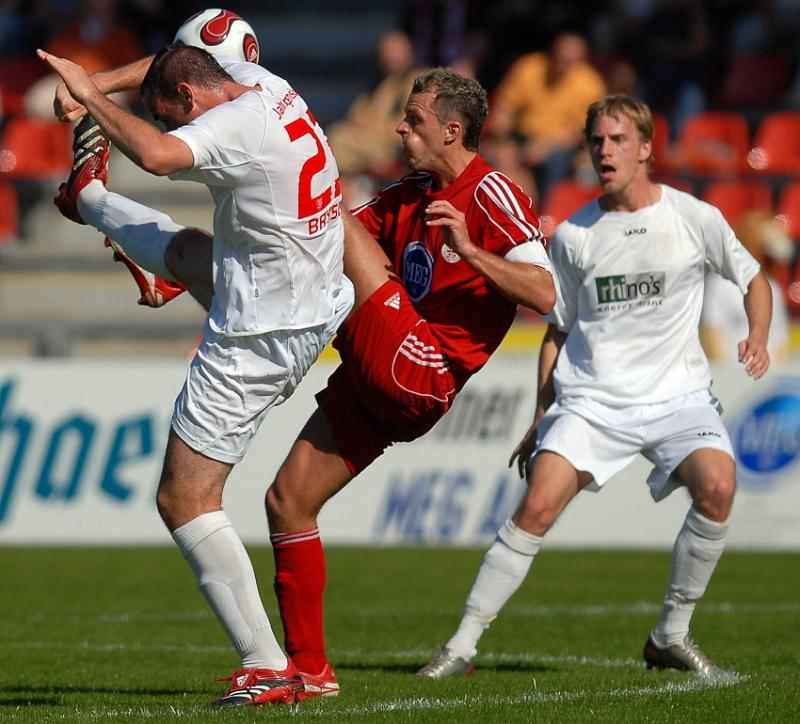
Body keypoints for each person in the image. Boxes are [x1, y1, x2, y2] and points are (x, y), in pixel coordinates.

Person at [54, 63, 556, 696]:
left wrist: (474, 250)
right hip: (379, 368)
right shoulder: (410, 193)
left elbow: (544, 291)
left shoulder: (490, 194)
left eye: (416, 118)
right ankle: (311, 672)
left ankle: (150, 246)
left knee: (328, 216)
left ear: (454, 130)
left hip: (423, 368)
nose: (400, 126)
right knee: (287, 501)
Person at [39, 43, 354, 708]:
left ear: (187, 99)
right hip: (307, 298)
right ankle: (93, 201)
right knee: (190, 251)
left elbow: (155, 156)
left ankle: (267, 664)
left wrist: (92, 96)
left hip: (256, 338)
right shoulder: (262, 81)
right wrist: (103, 77)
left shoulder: (231, 125)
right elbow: (184, 47)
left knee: (184, 499)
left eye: (174, 116)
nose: (180, 130)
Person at [417, 94, 772, 681]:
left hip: (677, 397)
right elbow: (559, 328)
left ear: (646, 149)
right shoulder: (576, 235)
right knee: (536, 505)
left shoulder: (693, 216)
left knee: (718, 485)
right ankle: (460, 646)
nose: (605, 151)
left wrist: (757, 334)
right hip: (593, 400)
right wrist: (540, 414)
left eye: (618, 140)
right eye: (597, 142)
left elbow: (754, 278)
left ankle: (671, 636)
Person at [487, 30, 606, 198]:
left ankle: (546, 213)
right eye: (560, 58)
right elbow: (504, 107)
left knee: (555, 164)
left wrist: (546, 146)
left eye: (570, 62)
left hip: (560, 144)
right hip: (520, 135)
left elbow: (582, 130)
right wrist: (502, 142)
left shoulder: (590, 85)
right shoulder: (528, 68)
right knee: (493, 157)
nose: (562, 66)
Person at [700, 209, 791, 365]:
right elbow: (712, 338)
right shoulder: (720, 285)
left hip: (769, 381)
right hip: (733, 379)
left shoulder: (773, 288)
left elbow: (781, 343)